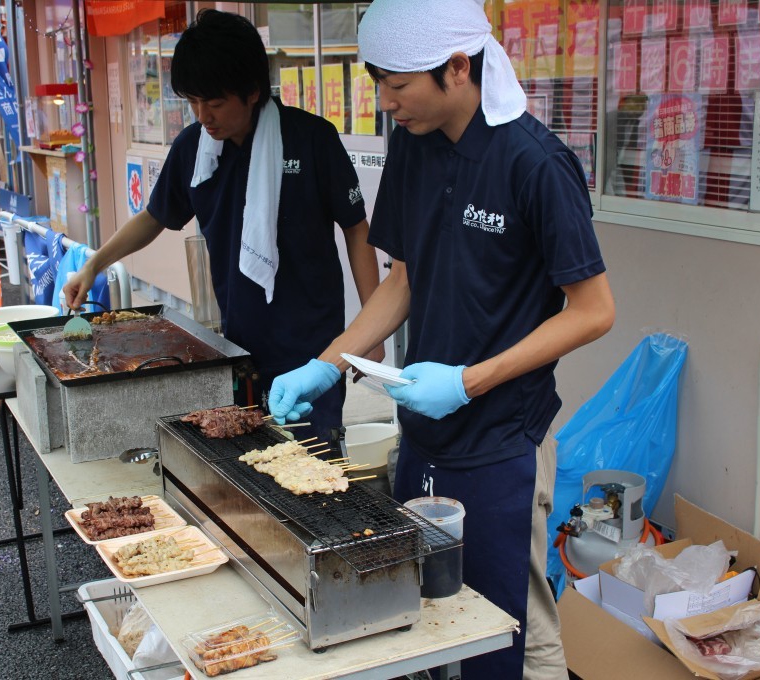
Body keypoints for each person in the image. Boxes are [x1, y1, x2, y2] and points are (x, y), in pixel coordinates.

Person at [268, 1, 615, 678]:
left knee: (514, 617)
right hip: (427, 429)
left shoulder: (534, 163)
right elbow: (403, 280)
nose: (384, 100)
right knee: (431, 606)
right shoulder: (415, 144)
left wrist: (468, 380)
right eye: (377, 81)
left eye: (397, 83)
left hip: (503, 435)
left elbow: (594, 310)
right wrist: (327, 364)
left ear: (458, 68)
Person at [64, 9, 382, 442]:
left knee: (314, 475)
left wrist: (372, 328)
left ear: (252, 91)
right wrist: (94, 264)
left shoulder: (312, 140)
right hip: (237, 349)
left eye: (214, 103)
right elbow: (155, 216)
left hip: (313, 352)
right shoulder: (194, 148)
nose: (202, 116)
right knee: (249, 475)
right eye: (193, 102)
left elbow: (357, 230)